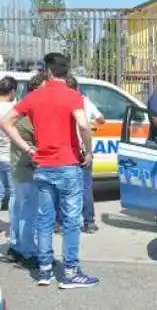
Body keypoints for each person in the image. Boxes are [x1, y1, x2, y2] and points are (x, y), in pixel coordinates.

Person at [0, 52, 99, 288]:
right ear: (68, 71)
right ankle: (71, 272)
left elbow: (6, 122)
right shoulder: (73, 96)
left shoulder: (36, 97)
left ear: (48, 71)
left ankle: (45, 270)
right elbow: (84, 125)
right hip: (68, 165)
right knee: (71, 220)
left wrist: (28, 149)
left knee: (44, 219)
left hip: (43, 166)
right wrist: (88, 150)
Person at [2, 73, 47, 268]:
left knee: (18, 205)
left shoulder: (21, 107)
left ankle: (17, 246)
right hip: (27, 165)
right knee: (29, 210)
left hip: (17, 164)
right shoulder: (30, 110)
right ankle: (28, 252)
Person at [66, 75, 105, 234]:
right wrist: (93, 124)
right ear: (77, 88)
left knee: (64, 188)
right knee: (85, 187)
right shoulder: (84, 101)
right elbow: (101, 119)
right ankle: (88, 222)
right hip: (82, 151)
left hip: (66, 151)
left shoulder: (60, 101)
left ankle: (60, 222)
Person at [0, 76, 18, 243]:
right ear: (12, 91)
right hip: (9, 157)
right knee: (14, 195)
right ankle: (13, 230)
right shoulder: (14, 109)